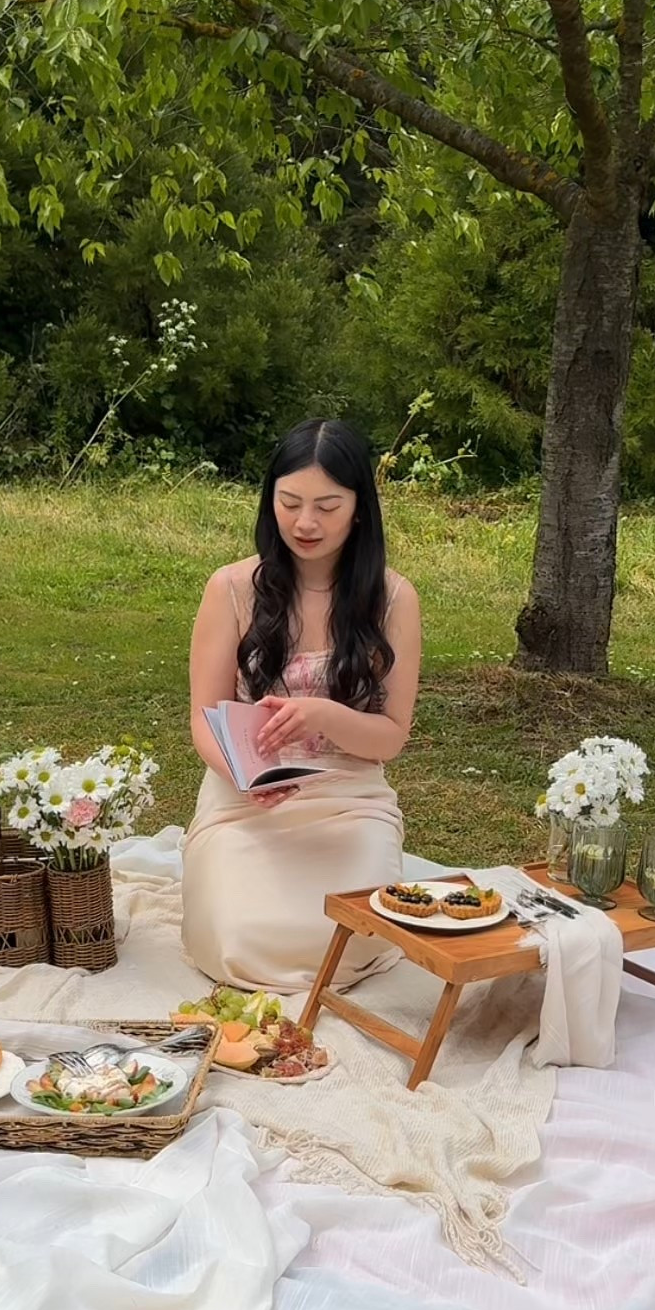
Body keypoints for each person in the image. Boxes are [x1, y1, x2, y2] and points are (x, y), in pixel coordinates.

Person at [181, 418, 422, 994]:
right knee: (238, 934)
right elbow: (202, 718)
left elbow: (390, 737)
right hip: (247, 797)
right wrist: (243, 778)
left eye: (327, 506)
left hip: (349, 799)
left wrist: (324, 716)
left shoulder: (393, 598)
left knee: (352, 932)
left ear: (359, 508)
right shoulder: (232, 587)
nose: (305, 522)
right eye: (289, 503)